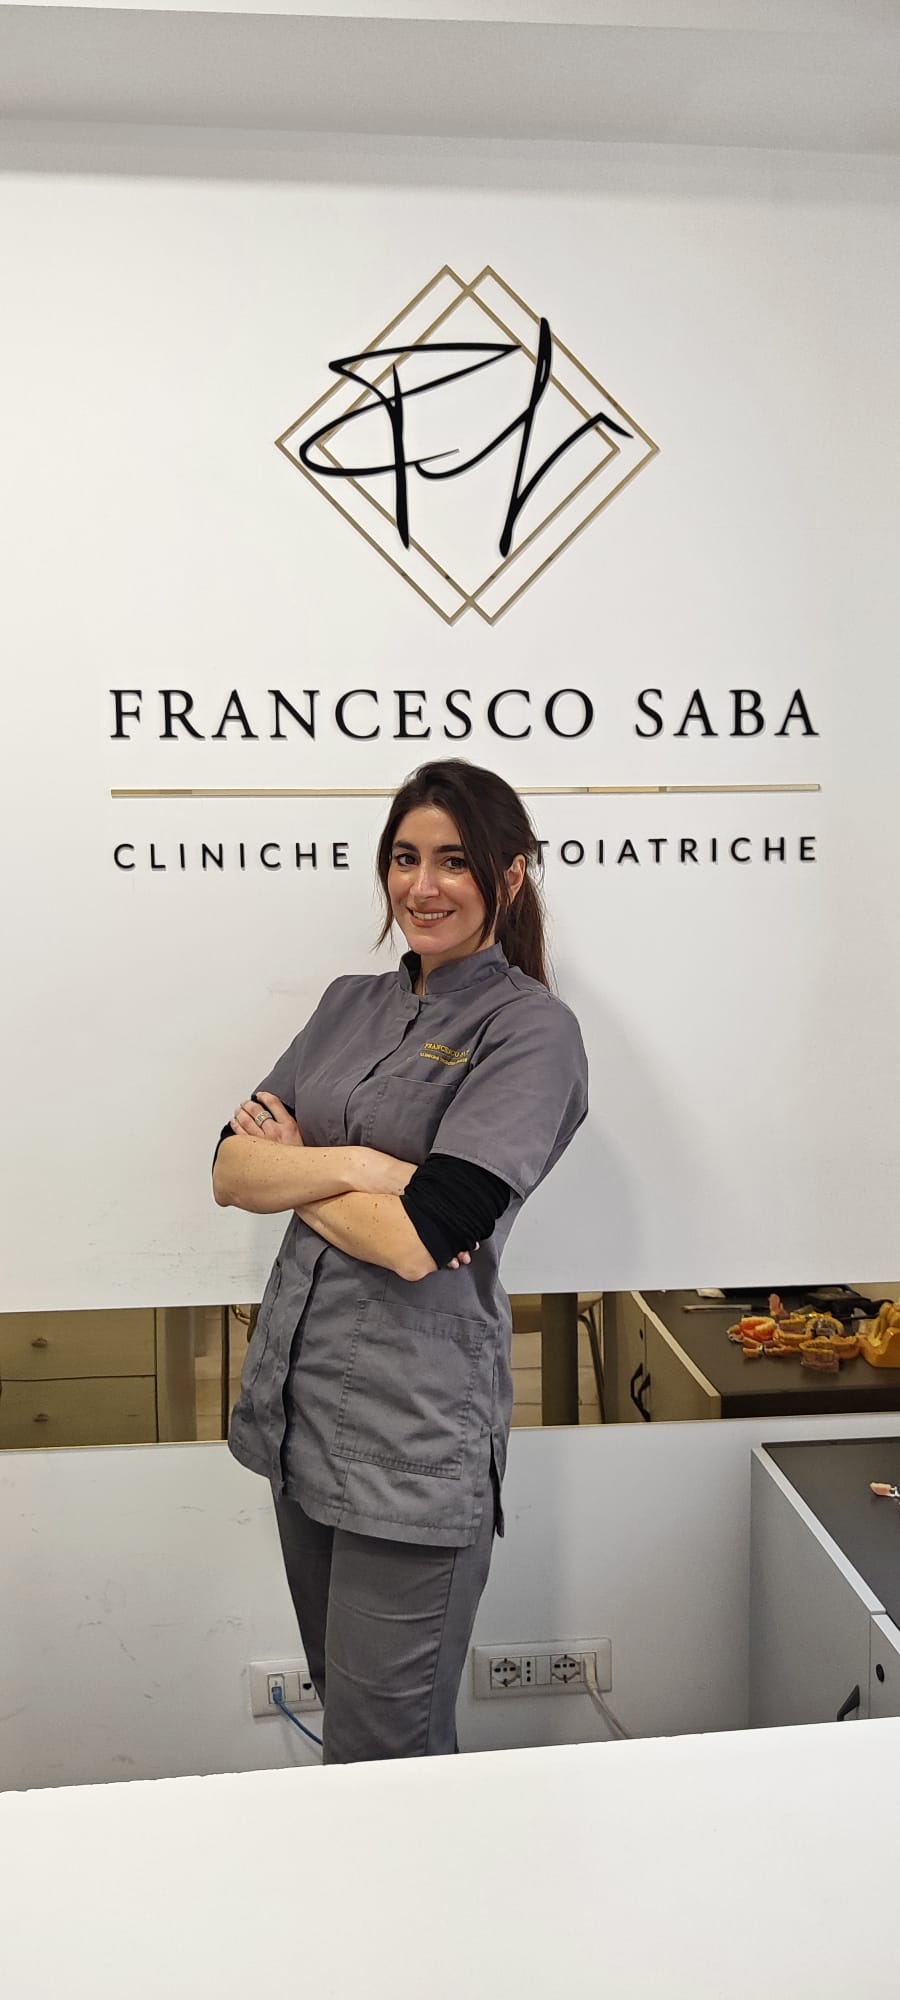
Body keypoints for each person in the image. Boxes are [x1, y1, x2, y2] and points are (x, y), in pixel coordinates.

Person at [213, 758, 588, 1763]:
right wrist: (356, 1166)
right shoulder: (347, 1004)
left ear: (510, 875)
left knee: (389, 1752)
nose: (423, 885)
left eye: (455, 861)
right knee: (351, 1729)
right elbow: (231, 1170)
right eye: (405, 857)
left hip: (411, 1444)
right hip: (297, 1419)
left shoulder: (530, 1030)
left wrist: (299, 1167)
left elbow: (419, 1240)